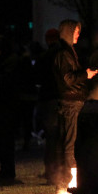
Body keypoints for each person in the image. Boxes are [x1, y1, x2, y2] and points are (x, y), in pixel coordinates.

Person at [52, 20, 98, 193]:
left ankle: (65, 181)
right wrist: (85, 74)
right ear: (68, 32)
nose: (78, 34)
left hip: (71, 102)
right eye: (76, 31)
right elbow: (67, 78)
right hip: (71, 103)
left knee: (68, 142)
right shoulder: (64, 53)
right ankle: (69, 182)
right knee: (71, 143)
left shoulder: (67, 52)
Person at [0, 34, 20, 180]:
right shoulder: (3, 61)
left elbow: (7, 81)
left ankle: (8, 170)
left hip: (6, 106)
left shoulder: (9, 61)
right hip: (1, 105)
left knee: (5, 139)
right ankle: (5, 169)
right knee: (0, 139)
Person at [34, 28, 61, 184]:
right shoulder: (64, 55)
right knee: (62, 137)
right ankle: (60, 170)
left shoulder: (44, 57)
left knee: (51, 137)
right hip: (61, 98)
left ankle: (51, 171)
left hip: (49, 98)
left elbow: (36, 77)